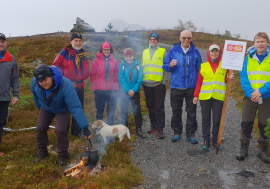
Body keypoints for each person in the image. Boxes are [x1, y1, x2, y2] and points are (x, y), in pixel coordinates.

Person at [31, 65, 92, 166]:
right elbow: (35, 95)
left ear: (51, 76)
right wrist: (39, 107)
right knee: (40, 128)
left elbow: (75, 107)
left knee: (60, 130)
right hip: (46, 107)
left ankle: (63, 155)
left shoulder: (66, 85)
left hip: (62, 109)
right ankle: (42, 152)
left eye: (45, 80)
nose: (43, 83)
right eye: (40, 81)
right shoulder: (35, 82)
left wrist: (85, 128)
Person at [163, 30, 202, 144]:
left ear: (191, 39)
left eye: (188, 38)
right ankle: (177, 131)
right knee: (176, 110)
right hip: (176, 86)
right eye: (184, 38)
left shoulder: (195, 52)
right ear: (180, 38)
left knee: (191, 111)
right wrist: (170, 66)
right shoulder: (173, 51)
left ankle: (191, 133)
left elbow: (200, 69)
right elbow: (165, 66)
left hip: (191, 87)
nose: (186, 40)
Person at [236, 32, 270, 163]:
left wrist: (261, 91)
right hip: (250, 97)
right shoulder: (248, 58)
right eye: (258, 41)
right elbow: (243, 77)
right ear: (254, 43)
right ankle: (243, 149)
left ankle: (263, 151)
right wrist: (251, 92)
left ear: (267, 43)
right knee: (246, 123)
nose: (260, 44)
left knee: (265, 124)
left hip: (267, 97)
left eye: (263, 41)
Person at [193, 44, 234, 149]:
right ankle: (206, 141)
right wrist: (195, 96)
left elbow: (226, 80)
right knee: (205, 120)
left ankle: (215, 141)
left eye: (216, 51)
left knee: (217, 120)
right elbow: (199, 83)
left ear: (220, 53)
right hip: (205, 98)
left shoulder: (225, 66)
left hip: (218, 98)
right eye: (212, 51)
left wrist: (230, 77)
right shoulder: (203, 66)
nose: (214, 53)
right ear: (209, 52)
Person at [53, 32, 90, 138]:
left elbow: (86, 68)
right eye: (76, 40)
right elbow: (55, 69)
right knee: (66, 109)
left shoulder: (83, 54)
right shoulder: (63, 53)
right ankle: (64, 131)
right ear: (71, 42)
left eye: (80, 41)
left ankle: (76, 131)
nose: (78, 43)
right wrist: (62, 82)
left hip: (80, 86)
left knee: (78, 108)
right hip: (66, 86)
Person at [141, 33, 169, 139]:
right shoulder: (144, 52)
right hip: (147, 84)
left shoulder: (163, 51)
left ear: (157, 41)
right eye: (151, 39)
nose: (152, 40)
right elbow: (142, 66)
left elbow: (166, 68)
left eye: (154, 39)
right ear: (149, 40)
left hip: (158, 84)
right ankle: (153, 126)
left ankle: (160, 128)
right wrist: (142, 82)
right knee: (150, 106)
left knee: (159, 107)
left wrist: (164, 82)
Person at [0, 33, 20, 157]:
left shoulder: (11, 59)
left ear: (6, 43)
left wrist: (16, 94)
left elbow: (15, 78)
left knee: (1, 122)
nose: (0, 44)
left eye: (3, 41)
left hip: (4, 97)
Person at [90, 42, 119, 126]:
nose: (106, 51)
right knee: (99, 111)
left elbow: (117, 76)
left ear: (110, 50)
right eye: (105, 49)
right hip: (99, 90)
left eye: (108, 49)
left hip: (112, 90)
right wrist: (94, 88)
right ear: (101, 50)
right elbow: (92, 75)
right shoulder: (96, 61)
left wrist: (117, 88)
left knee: (111, 111)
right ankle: (99, 129)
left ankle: (110, 128)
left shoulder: (114, 61)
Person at [118, 48, 145, 138]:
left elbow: (139, 80)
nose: (128, 58)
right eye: (127, 56)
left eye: (130, 56)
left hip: (135, 92)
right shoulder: (121, 67)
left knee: (137, 111)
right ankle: (124, 129)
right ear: (124, 57)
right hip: (124, 93)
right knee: (124, 111)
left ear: (133, 56)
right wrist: (128, 90)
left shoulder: (138, 67)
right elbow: (121, 80)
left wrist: (133, 90)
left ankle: (139, 128)